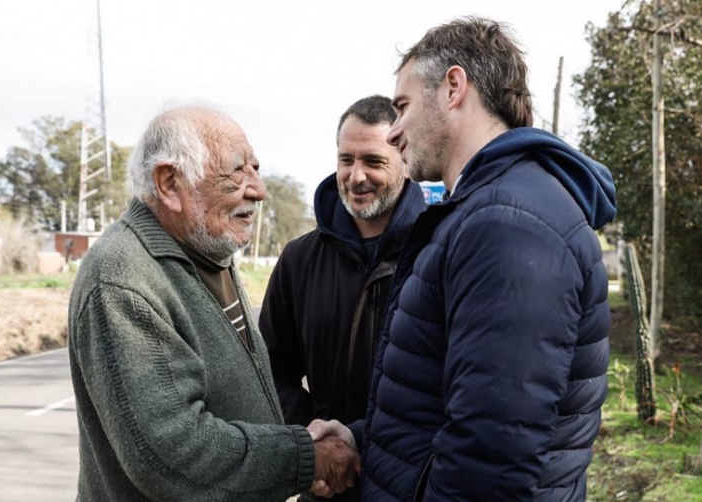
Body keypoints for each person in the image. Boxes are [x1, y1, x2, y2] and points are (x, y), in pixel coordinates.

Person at [310, 17, 617, 501]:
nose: (393, 133)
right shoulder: (482, 210)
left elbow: (492, 457)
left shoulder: (509, 223)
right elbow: (449, 408)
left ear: (454, 87)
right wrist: (360, 436)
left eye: (403, 107)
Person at [67, 105, 359, 502]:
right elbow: (173, 454)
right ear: (170, 183)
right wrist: (305, 457)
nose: (258, 189)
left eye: (254, 169)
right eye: (237, 171)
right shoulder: (123, 278)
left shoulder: (206, 251)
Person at [259, 95, 426, 501]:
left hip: (412, 482)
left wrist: (365, 440)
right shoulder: (299, 259)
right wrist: (315, 440)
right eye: (345, 160)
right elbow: (268, 368)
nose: (356, 176)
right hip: (326, 485)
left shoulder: (435, 252)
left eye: (373, 161)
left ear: (404, 159)